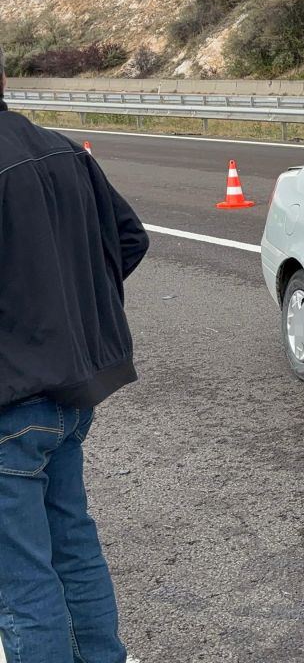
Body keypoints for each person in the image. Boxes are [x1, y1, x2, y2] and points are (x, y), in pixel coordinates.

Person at [0, 44, 148, 662]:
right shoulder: (60, 148)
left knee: (21, 581)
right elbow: (129, 240)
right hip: (70, 394)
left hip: (8, 405)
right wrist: (70, 317)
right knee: (73, 547)